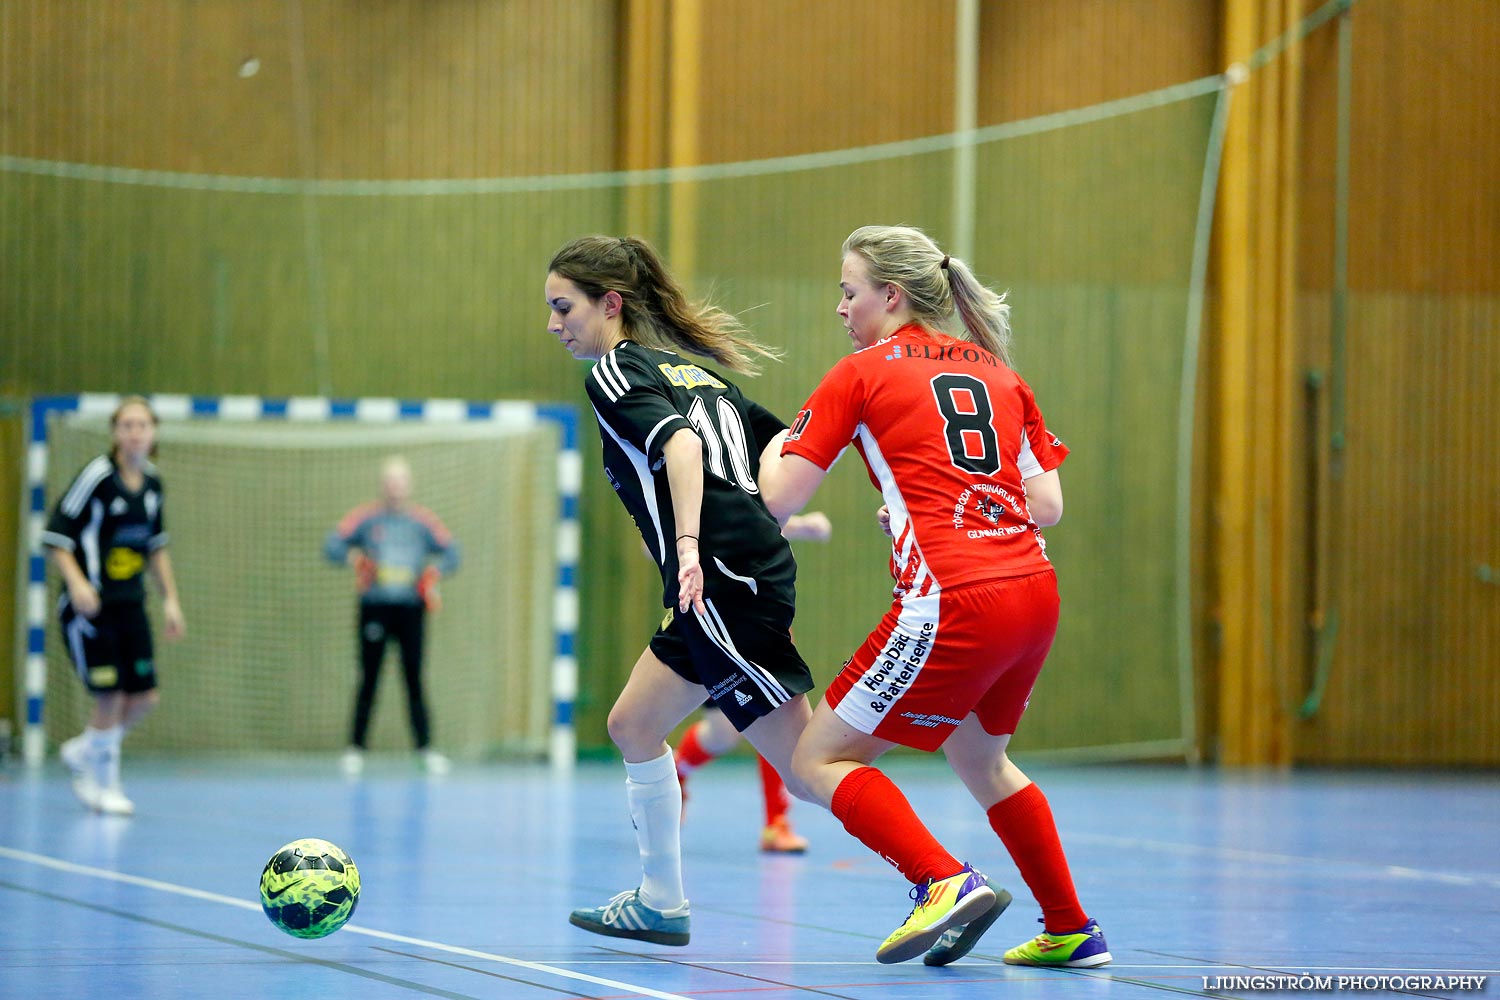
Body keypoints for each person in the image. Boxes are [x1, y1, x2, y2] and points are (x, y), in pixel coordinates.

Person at [758, 225, 1110, 968]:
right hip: (1032, 593)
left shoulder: (860, 372)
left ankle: (940, 881)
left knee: (816, 761)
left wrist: (769, 449)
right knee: (982, 760)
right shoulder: (997, 371)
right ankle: (1071, 927)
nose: (840, 307)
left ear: (889, 295)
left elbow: (779, 498)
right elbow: (1046, 505)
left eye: (848, 291)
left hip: (955, 597)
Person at [545, 234, 821, 947]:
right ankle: (661, 900)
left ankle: (941, 877)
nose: (554, 325)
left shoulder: (615, 370)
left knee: (811, 766)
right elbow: (783, 448)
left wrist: (690, 545)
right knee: (633, 725)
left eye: (562, 307)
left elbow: (686, 449)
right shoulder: (700, 377)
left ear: (611, 304)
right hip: (738, 572)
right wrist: (791, 517)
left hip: (718, 582)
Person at [45, 396, 186, 816]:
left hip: (131, 605)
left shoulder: (154, 484)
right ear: (115, 432)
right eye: (126, 425)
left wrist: (171, 601)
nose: (135, 432)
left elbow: (156, 549)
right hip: (91, 608)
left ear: (153, 431)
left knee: (143, 697)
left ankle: (86, 749)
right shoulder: (97, 478)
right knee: (110, 695)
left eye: (142, 424)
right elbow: (56, 536)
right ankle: (103, 784)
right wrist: (78, 584)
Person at [675, 511, 832, 855]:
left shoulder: (750, 465)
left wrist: (797, 524)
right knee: (721, 736)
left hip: (759, 615)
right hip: (709, 617)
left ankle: (777, 823)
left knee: (773, 709)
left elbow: (764, 509)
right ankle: (678, 768)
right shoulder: (682, 474)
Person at [324, 456, 459, 776]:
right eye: (390, 480)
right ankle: (355, 748)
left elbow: (453, 551)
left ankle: (424, 749)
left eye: (401, 480)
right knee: (369, 677)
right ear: (383, 485)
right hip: (375, 607)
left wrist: (434, 573)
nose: (395, 487)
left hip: (411, 609)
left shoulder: (422, 522)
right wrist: (352, 556)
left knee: (413, 677)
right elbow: (332, 545)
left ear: (409, 485)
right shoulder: (366, 520)